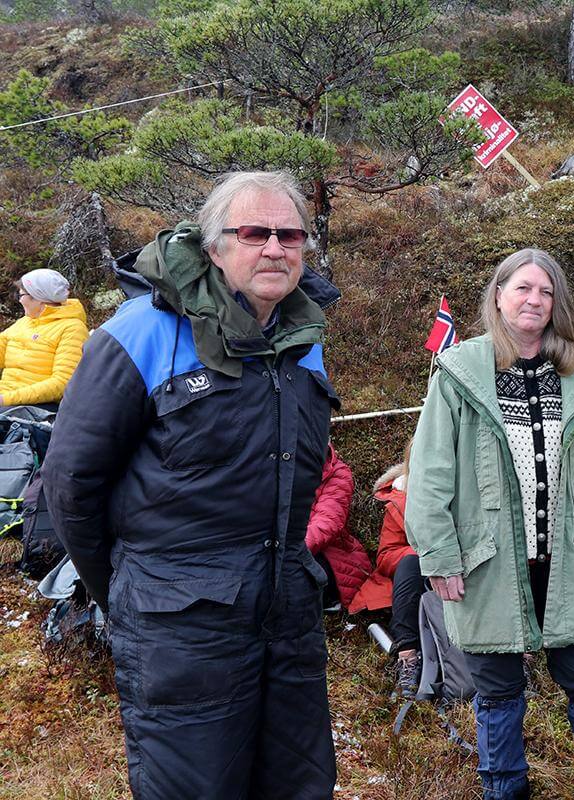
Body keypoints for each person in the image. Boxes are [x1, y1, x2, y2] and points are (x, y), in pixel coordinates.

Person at [41, 170, 340, 800]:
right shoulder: (139, 332)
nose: (276, 248)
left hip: (285, 612)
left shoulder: (303, 339)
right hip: (179, 627)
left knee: (300, 785)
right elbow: (71, 485)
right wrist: (127, 588)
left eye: (291, 234)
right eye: (255, 232)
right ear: (213, 247)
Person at [405, 248, 574, 800]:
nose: (534, 300)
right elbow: (431, 471)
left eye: (545, 292)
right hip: (487, 565)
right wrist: (439, 556)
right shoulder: (460, 374)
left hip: (566, 562)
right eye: (523, 289)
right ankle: (505, 792)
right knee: (497, 694)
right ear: (498, 296)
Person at [348, 454, 424, 699]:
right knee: (411, 563)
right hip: (412, 579)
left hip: (458, 572)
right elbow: (387, 555)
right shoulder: (401, 498)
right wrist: (428, 554)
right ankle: (407, 657)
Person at [0, 268, 88, 410]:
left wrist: (6, 399)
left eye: (21, 295)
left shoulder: (72, 329)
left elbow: (62, 383)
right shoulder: (25, 322)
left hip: (38, 409)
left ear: (39, 298)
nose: (19, 300)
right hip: (7, 402)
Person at [306, 443, 372, 612]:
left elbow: (327, 523)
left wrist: (287, 549)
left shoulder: (338, 473)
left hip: (329, 555)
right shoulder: (269, 467)